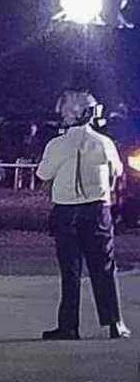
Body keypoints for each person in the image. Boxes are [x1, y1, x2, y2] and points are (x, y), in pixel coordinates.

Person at [36, 90, 130, 340]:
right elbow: (118, 171)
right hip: (98, 210)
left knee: (71, 271)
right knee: (105, 267)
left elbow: (43, 174)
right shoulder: (104, 143)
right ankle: (115, 323)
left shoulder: (57, 144)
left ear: (70, 115)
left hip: (66, 211)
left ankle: (69, 326)